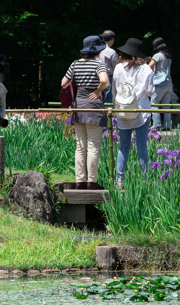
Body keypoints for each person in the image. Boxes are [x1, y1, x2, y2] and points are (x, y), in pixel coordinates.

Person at [61, 36, 109, 190]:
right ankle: (91, 182)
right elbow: (105, 81)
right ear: (97, 50)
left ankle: (80, 181)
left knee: (80, 146)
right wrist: (97, 90)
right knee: (93, 146)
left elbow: (63, 83)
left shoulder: (74, 64)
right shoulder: (98, 64)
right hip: (93, 107)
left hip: (77, 107)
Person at [112, 38, 154, 185]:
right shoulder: (146, 69)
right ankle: (144, 180)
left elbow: (114, 90)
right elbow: (150, 91)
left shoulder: (118, 68)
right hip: (141, 110)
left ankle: (119, 180)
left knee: (123, 147)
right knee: (142, 145)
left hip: (123, 110)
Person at [147, 37, 173, 131]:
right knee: (166, 105)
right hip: (169, 83)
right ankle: (167, 125)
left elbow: (149, 67)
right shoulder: (168, 56)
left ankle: (156, 125)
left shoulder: (158, 55)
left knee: (154, 103)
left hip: (160, 83)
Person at [99, 30, 118, 103]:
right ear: (112, 39)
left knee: (100, 101)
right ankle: (108, 115)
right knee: (109, 102)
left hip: (98, 78)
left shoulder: (98, 50)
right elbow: (116, 67)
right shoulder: (111, 52)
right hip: (108, 79)